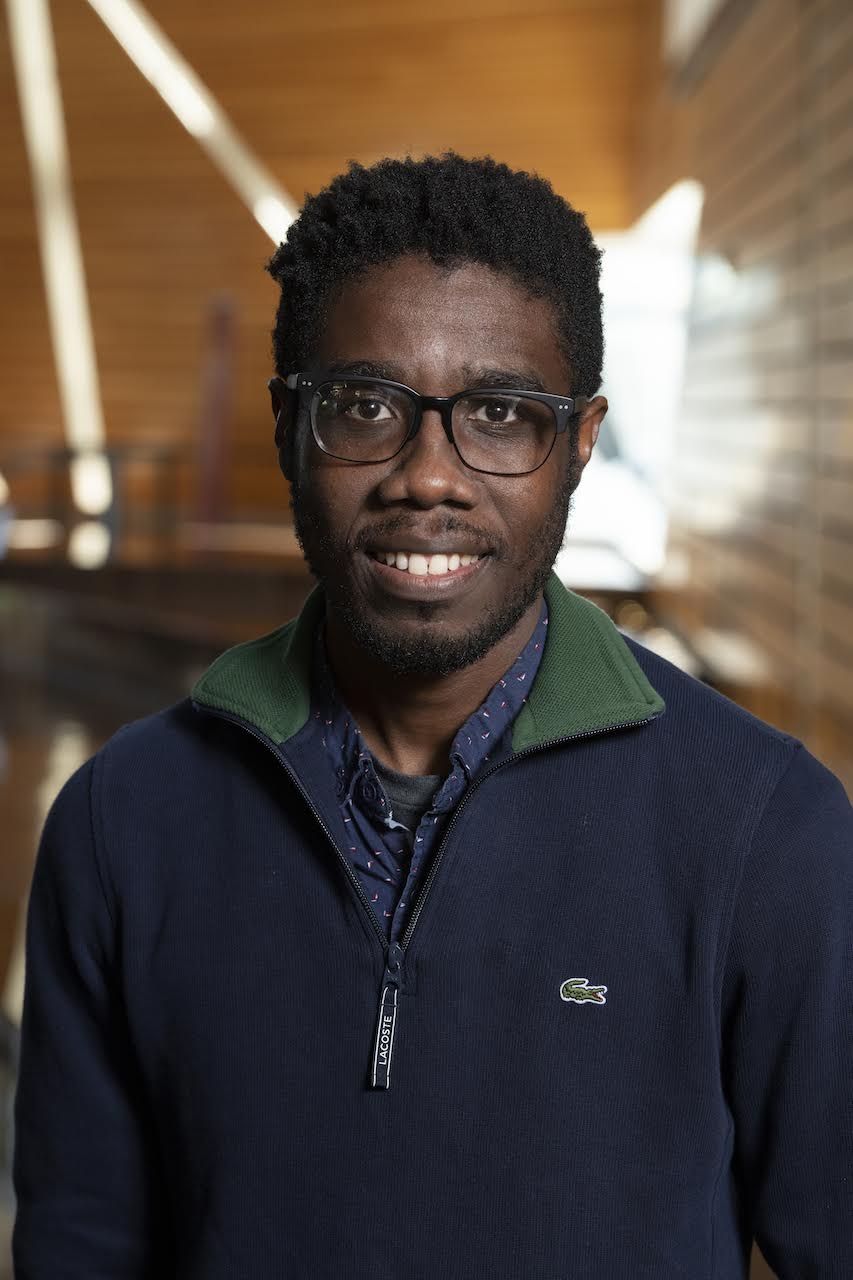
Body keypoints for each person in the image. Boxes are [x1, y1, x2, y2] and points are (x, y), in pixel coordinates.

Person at [12, 153, 853, 1279]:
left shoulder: (766, 830)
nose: (429, 476)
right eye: (365, 405)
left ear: (581, 443)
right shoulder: (124, 819)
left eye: (499, 414)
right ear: (287, 427)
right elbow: (80, 1244)